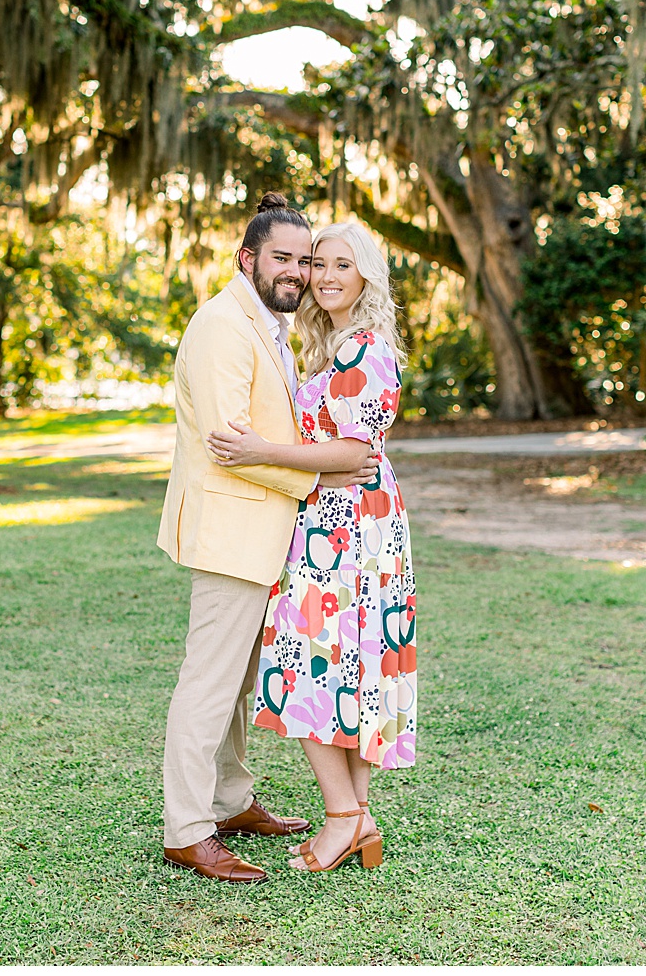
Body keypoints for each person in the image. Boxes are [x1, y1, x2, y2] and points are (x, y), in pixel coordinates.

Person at [155, 192, 381, 884]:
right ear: (246, 258)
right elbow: (233, 445)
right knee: (208, 683)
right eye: (282, 257)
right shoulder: (225, 325)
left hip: (267, 533)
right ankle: (189, 831)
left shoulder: (271, 326)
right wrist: (324, 479)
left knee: (239, 684)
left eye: (305, 260)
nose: (297, 271)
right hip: (232, 528)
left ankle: (229, 800)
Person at [209, 220, 416, 873]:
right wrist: (316, 471)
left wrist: (263, 453)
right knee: (344, 671)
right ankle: (356, 817)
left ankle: (342, 818)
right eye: (318, 264)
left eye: (342, 266)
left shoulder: (362, 350)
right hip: (343, 519)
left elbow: (356, 451)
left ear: (366, 277)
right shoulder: (335, 346)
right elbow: (348, 454)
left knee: (311, 671)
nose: (325, 276)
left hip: (349, 530)